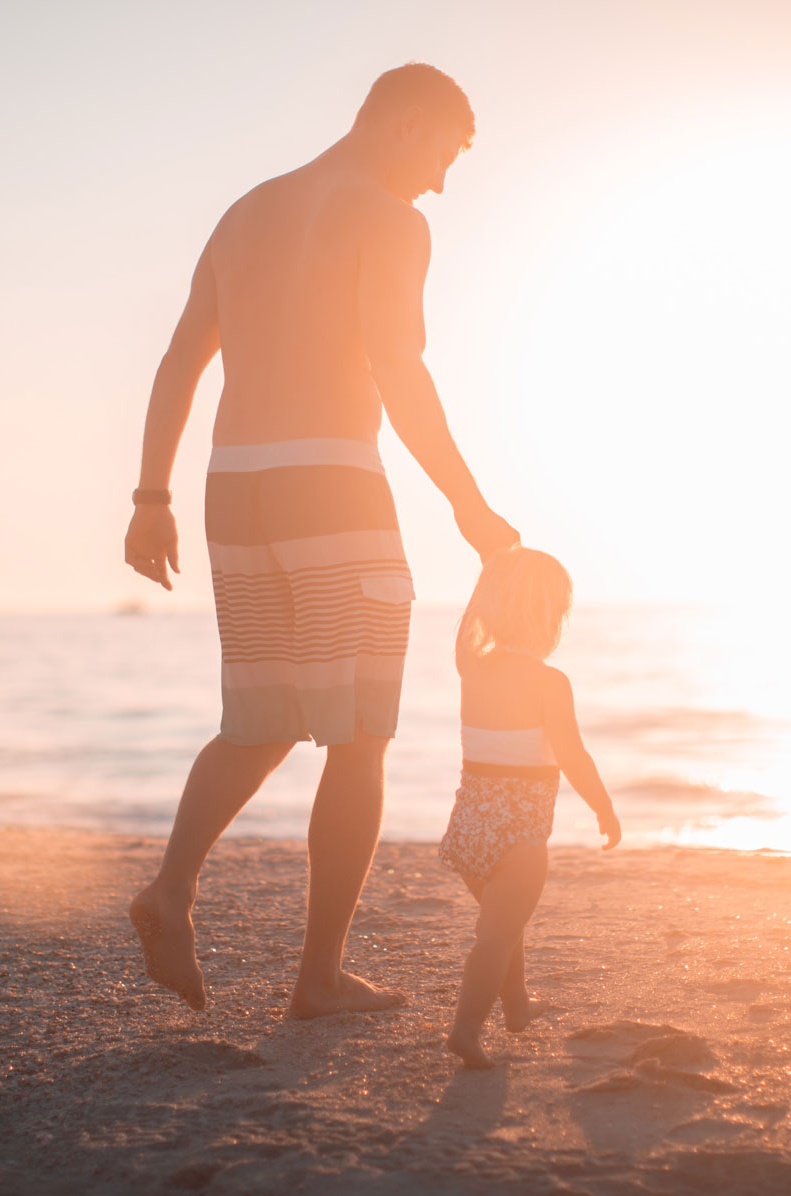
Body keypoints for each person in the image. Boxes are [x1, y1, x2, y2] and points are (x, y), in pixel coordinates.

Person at [124, 63, 518, 1017]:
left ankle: (170, 889)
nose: (439, 182)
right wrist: (469, 505)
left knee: (260, 721)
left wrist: (149, 496)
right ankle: (318, 979)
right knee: (359, 736)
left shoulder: (247, 211)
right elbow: (400, 370)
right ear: (405, 124)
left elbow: (183, 356)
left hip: (234, 488)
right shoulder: (389, 219)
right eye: (443, 153)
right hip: (333, 485)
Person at [439, 547, 621, 1069]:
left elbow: (467, 623)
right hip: (519, 831)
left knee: (503, 921)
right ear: (550, 619)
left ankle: (516, 1006)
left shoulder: (472, 666)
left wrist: (489, 572)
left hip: (469, 827)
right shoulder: (549, 682)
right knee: (496, 934)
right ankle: (466, 1030)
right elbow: (573, 756)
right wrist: (603, 807)